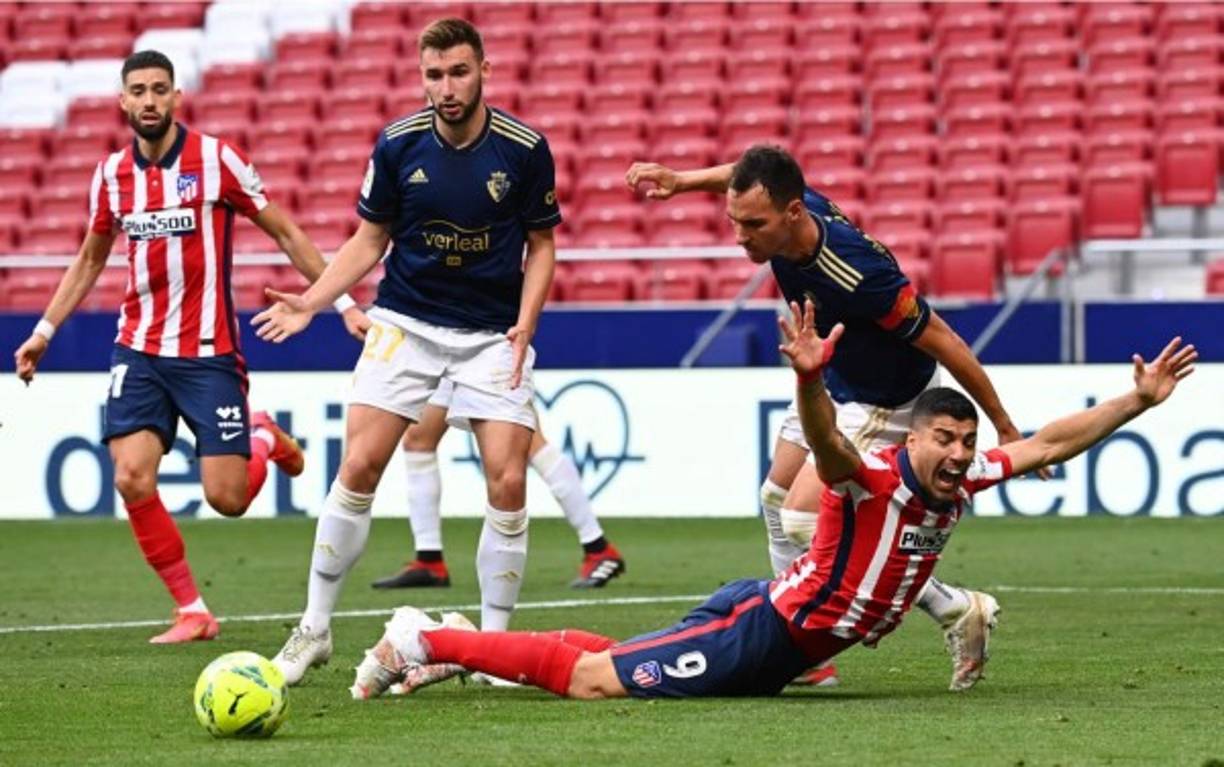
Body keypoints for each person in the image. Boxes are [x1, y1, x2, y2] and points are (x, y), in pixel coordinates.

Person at [348, 300, 1197, 700]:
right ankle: (421, 635)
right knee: (599, 679)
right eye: (946, 441)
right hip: (765, 633)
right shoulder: (873, 476)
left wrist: (1138, 402)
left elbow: (1048, 441)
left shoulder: (963, 480)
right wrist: (810, 382)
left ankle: (448, 647)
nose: (961, 456)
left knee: (617, 654)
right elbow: (828, 449)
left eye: (967, 445)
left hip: (772, 634)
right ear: (914, 440)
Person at [626, 146, 1034, 685]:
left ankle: (953, 607)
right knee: (774, 499)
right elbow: (743, 174)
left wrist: (1003, 424)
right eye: (734, 222)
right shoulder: (789, 202)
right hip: (833, 377)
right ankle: (799, 653)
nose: (741, 236)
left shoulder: (858, 274)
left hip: (886, 396)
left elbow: (948, 342)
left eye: (753, 225)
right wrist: (680, 181)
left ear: (792, 214)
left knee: (800, 519)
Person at [11, 50, 369, 644]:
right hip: (139, 350)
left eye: (159, 89)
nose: (149, 101)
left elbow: (284, 230)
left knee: (227, 499)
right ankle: (193, 609)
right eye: (138, 91)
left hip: (207, 353)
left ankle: (261, 436)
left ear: (177, 97)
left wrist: (344, 306)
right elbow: (90, 258)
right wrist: (44, 332)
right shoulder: (109, 177)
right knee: (130, 476)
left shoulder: (217, 160)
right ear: (122, 101)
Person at [252, 18, 561, 685]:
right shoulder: (398, 144)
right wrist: (313, 303)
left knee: (507, 480)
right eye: (434, 74)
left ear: (483, 70)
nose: (446, 88)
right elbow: (369, 240)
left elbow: (542, 245)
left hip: (492, 334)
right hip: (406, 321)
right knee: (359, 463)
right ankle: (313, 629)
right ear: (421, 75)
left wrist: (527, 323)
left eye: (458, 72)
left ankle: (496, 653)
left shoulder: (524, 148)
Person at [372, 379, 626, 590]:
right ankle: (429, 561)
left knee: (530, 442)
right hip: (447, 340)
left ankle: (599, 548)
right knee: (418, 440)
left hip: (485, 343)